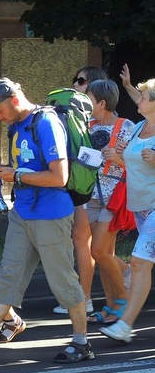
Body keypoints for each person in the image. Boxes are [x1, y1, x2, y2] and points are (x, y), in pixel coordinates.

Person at [0, 78, 93, 365]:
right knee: (7, 277)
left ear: (13, 99)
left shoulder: (46, 123)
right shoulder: (16, 126)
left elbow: (59, 177)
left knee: (62, 281)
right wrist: (5, 171)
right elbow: (23, 167)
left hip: (51, 214)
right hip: (23, 213)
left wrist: (17, 176)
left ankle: (82, 342)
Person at [99, 78, 155, 344]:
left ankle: (125, 325)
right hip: (139, 208)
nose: (138, 101)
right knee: (142, 264)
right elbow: (133, 166)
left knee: (139, 263)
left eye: (143, 97)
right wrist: (116, 157)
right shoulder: (139, 128)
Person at [52, 66, 108, 316]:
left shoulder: (94, 122)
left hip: (93, 190)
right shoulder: (82, 118)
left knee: (84, 243)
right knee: (89, 245)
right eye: (75, 79)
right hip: (87, 188)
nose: (76, 84)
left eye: (82, 81)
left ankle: (84, 299)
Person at [84, 79, 135, 324]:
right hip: (91, 196)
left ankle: (124, 295)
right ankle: (110, 306)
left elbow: (140, 164)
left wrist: (118, 158)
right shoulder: (87, 125)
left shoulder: (127, 127)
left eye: (89, 100)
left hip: (115, 197)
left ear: (102, 103)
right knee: (105, 255)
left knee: (99, 251)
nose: (85, 104)